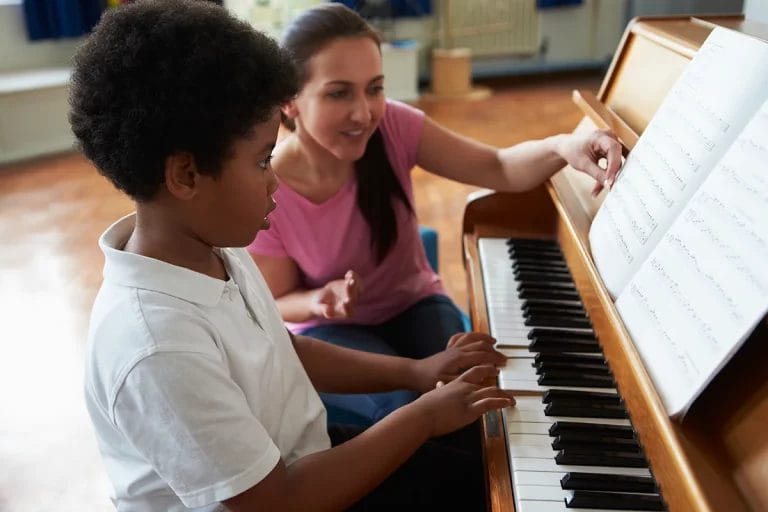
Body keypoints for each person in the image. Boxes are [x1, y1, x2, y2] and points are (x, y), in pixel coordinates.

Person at [73, 1, 514, 510]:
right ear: (186, 176)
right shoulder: (157, 346)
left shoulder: (208, 244)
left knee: (483, 450)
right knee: (475, 481)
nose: (275, 178)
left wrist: (417, 372)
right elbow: (278, 502)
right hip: (289, 492)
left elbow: (281, 353)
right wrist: (424, 415)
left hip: (304, 453)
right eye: (262, 160)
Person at [248, 3, 622, 425]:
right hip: (331, 331)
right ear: (290, 102)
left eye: (374, 88)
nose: (365, 112)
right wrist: (319, 299)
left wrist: (560, 146)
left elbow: (498, 167)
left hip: (414, 303)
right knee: (409, 407)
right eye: (339, 92)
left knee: (475, 385)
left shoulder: (394, 126)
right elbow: (277, 302)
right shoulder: (267, 186)